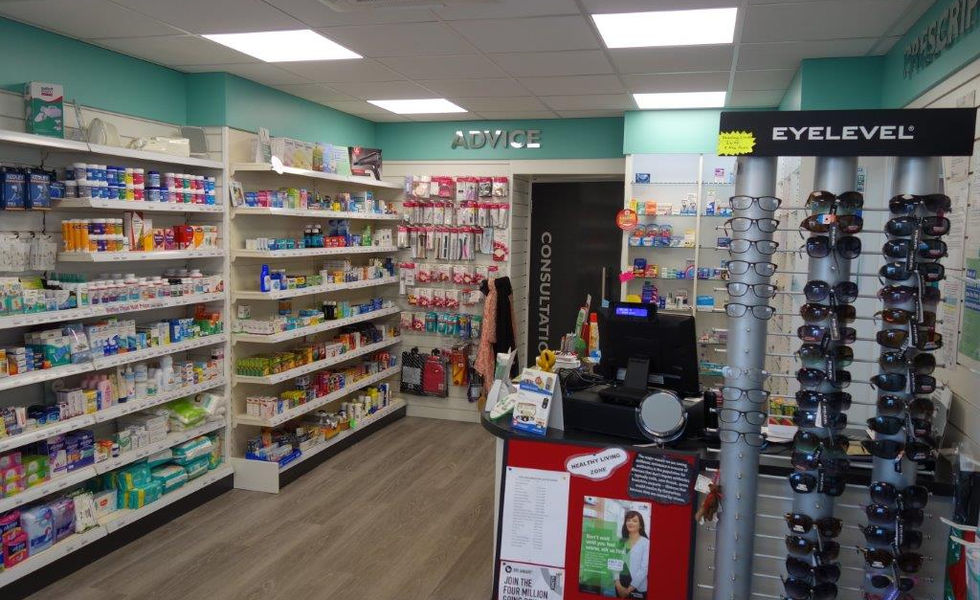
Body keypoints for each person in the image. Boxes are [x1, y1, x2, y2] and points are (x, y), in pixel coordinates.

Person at [614, 510, 649, 599]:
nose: (630, 522)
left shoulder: (646, 543)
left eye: (634, 520)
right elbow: (614, 563)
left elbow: (644, 568)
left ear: (640, 525)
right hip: (620, 586)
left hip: (637, 587)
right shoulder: (621, 541)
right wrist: (618, 585)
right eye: (628, 520)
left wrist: (628, 590)